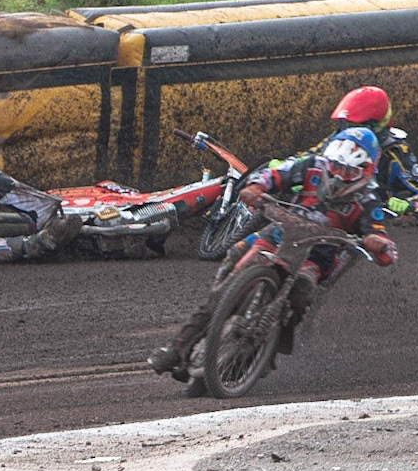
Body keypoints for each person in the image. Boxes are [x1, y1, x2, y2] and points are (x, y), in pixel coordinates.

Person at [147, 126, 397, 391]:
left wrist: (377, 244)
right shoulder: (311, 166)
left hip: (317, 257)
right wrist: (257, 187)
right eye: (335, 165)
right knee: (233, 265)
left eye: (348, 171)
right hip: (277, 235)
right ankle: (178, 347)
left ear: (367, 171)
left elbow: (381, 241)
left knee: (301, 291)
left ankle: (266, 351)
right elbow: (275, 174)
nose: (337, 175)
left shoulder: (369, 200)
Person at [323, 85, 418, 221]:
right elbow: (303, 160)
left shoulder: (394, 151)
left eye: (357, 127)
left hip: (370, 217)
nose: (349, 134)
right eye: (346, 125)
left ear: (377, 125)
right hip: (325, 209)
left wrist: (408, 204)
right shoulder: (335, 141)